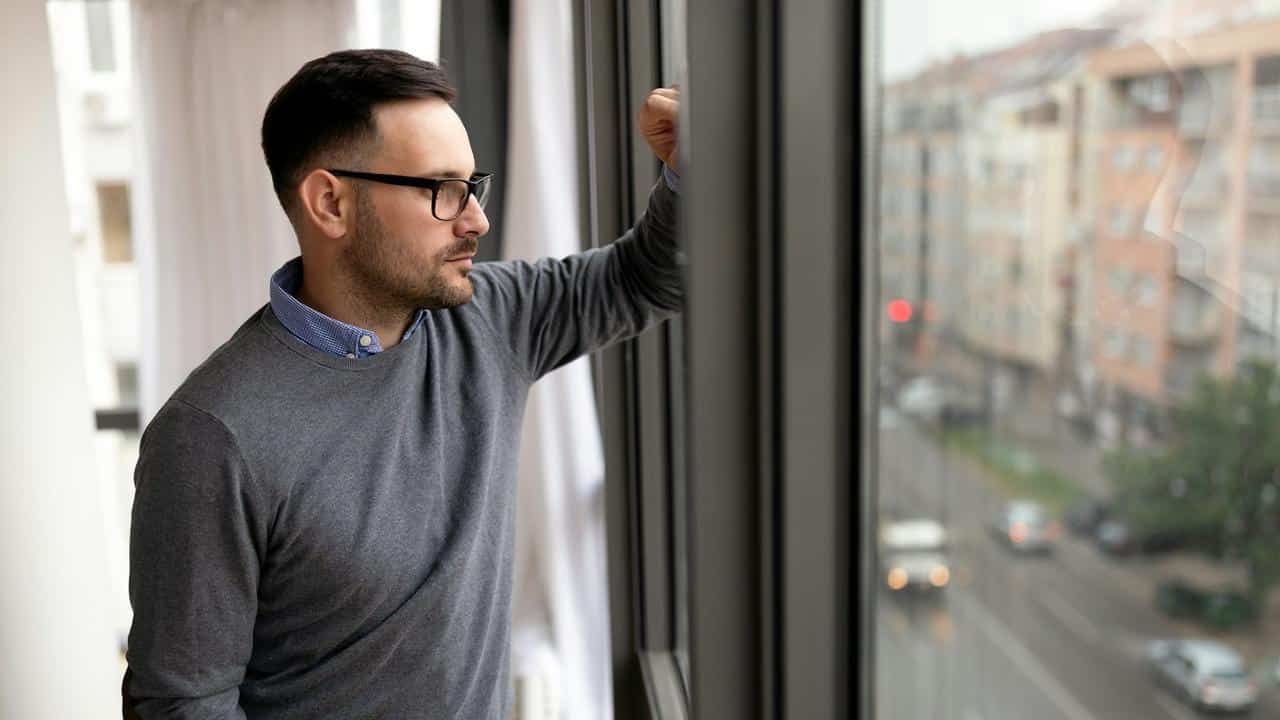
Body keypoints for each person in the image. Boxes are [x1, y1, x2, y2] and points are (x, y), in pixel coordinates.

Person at [123, 48, 682, 718]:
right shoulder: (210, 437)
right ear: (330, 203)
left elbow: (644, 278)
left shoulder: (492, 318)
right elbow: (183, 705)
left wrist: (688, 167)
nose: (475, 219)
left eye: (472, 186)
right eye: (441, 190)